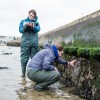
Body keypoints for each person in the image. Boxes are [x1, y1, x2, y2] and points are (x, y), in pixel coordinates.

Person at [19, 9, 40, 78]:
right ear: (28, 14)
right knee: (24, 58)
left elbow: (38, 29)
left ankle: (34, 75)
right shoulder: (23, 21)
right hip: (25, 43)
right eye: (30, 15)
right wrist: (26, 26)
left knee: (35, 58)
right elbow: (20, 30)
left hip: (34, 43)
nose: (31, 17)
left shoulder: (36, 22)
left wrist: (33, 26)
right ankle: (23, 75)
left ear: (35, 16)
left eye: (33, 16)